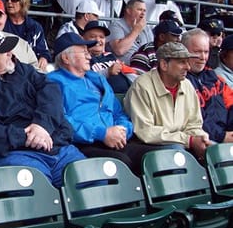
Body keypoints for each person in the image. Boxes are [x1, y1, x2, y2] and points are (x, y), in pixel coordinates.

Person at [0, 25, 85, 187]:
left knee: (95, 185)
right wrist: (28, 137)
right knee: (36, 196)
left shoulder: (22, 70)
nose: (11, 54)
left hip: (59, 149)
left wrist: (41, 125)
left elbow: (51, 90)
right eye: (4, 51)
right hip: (17, 155)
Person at [47, 32, 156, 174]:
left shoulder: (98, 79)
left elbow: (118, 112)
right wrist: (102, 134)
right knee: (121, 164)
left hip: (115, 140)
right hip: (82, 143)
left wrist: (124, 129)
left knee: (154, 157)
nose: (89, 56)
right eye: (83, 52)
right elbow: (61, 121)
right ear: (66, 58)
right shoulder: (53, 82)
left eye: (88, 52)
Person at [124, 42, 211, 160]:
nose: (188, 67)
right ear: (164, 65)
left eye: (187, 61)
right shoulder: (142, 86)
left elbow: (194, 124)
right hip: (146, 145)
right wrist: (188, 140)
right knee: (177, 153)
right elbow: (145, 131)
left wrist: (201, 139)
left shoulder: (187, 85)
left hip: (180, 143)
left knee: (215, 152)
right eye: (181, 62)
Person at [182, 28, 233, 143]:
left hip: (224, 134)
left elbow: (231, 104)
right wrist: (221, 136)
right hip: (201, 139)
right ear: (184, 51)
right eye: (197, 52)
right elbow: (189, 121)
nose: (203, 57)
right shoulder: (178, 80)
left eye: (206, 52)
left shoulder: (214, 77)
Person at [3, 0, 51, 70]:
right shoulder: (1, 23)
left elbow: (44, 51)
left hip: (29, 69)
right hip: (6, 68)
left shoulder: (35, 27)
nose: (9, 2)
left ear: (23, 2)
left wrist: (44, 58)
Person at [82, 20, 135, 94]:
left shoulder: (110, 56)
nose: (98, 40)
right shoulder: (81, 58)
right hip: (102, 99)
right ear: (83, 39)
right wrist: (107, 72)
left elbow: (131, 75)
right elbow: (83, 79)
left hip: (127, 95)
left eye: (102, 37)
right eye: (93, 37)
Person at [107, 0, 154, 64]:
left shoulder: (147, 29)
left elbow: (152, 51)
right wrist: (136, 31)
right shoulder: (116, 25)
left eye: (144, 11)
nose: (143, 13)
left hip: (144, 67)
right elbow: (119, 50)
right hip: (124, 68)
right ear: (128, 11)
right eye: (139, 10)